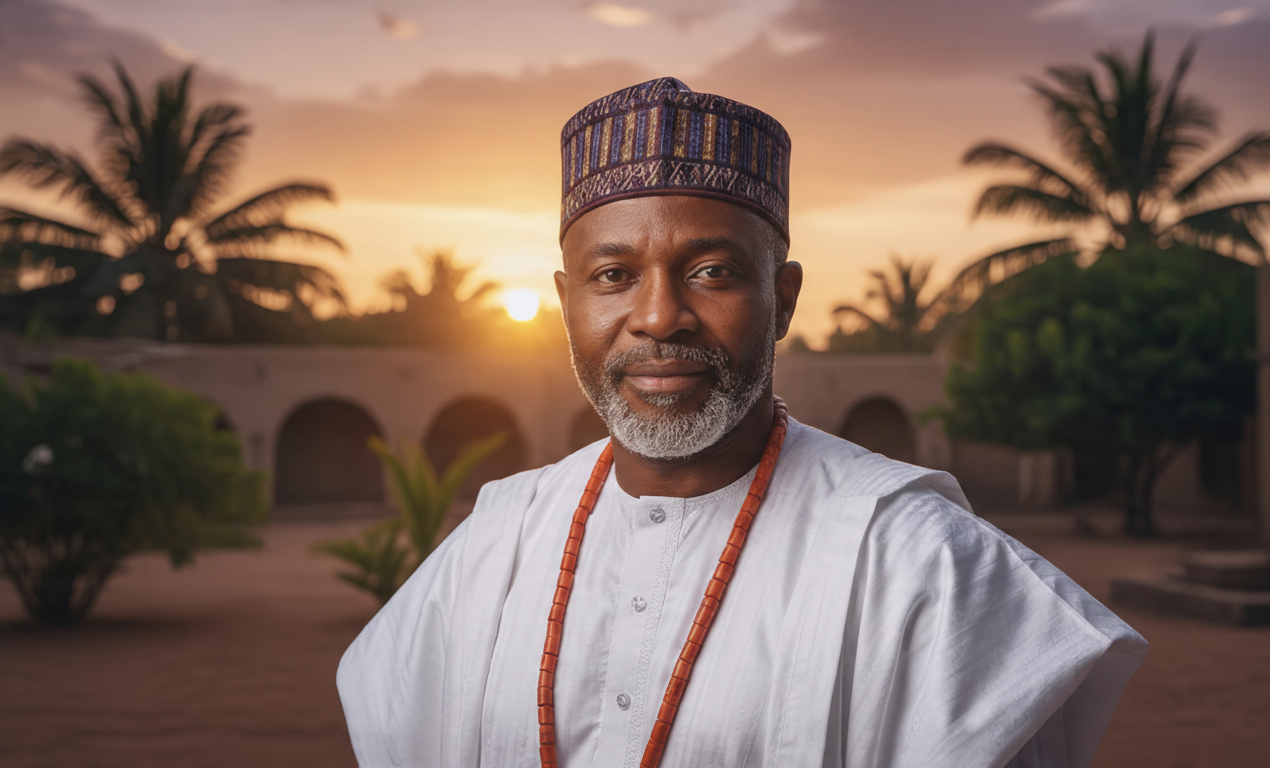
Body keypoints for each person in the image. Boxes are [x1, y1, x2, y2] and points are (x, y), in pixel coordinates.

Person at [337, 77, 1147, 768]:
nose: (659, 317)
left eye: (711, 271)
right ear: (566, 304)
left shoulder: (924, 567)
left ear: (783, 298)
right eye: (613, 275)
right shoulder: (493, 545)